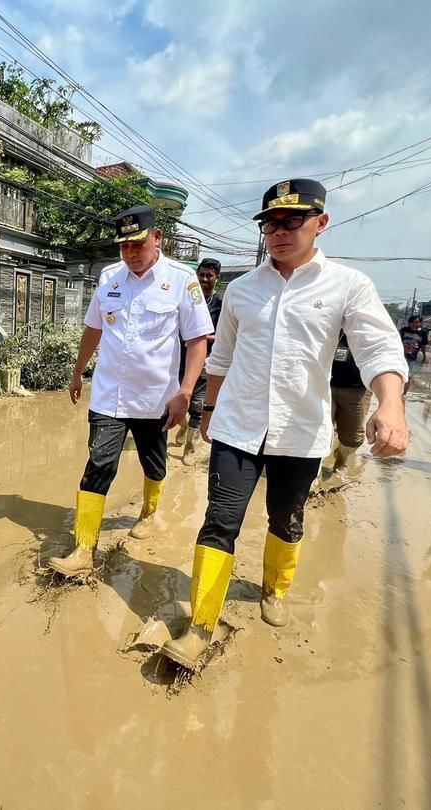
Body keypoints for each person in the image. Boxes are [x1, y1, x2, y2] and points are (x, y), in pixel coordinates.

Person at [159, 179, 410, 670]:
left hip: (300, 431)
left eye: (292, 221)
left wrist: (391, 404)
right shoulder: (241, 290)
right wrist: (209, 411)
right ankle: (200, 625)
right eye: (270, 224)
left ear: (321, 223)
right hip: (237, 426)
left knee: (285, 518)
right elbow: (221, 358)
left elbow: (377, 348)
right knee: (220, 520)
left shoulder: (348, 285)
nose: (279, 232)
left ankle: (274, 589)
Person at [47, 204, 214, 577]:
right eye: (124, 246)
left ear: (157, 238)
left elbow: (197, 340)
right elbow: (94, 329)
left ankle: (149, 513)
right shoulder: (109, 277)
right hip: (108, 394)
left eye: (138, 243)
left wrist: (186, 391)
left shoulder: (181, 279)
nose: (131, 253)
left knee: (153, 463)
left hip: (155, 398)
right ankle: (84, 548)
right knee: (98, 465)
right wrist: (77, 373)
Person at [173, 257, 222, 466]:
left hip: (205, 362)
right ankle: (182, 427)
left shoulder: (220, 304)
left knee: (197, 405)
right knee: (175, 397)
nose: (204, 279)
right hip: (179, 359)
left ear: (216, 278)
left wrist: (198, 336)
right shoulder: (186, 298)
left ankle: (190, 448)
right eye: (201, 274)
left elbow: (224, 336)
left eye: (209, 275)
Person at [329, 332, 373, 472]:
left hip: (357, 389)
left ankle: (341, 457)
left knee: (353, 439)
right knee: (317, 431)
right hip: (323, 386)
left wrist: (388, 403)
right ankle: (313, 474)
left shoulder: (369, 329)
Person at [400, 315, 429, 394]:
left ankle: (404, 394)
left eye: (416, 322)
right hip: (400, 356)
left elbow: (423, 346)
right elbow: (398, 342)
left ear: (420, 323)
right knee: (399, 374)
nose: (414, 324)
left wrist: (424, 357)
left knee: (408, 376)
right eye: (412, 322)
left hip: (412, 357)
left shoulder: (423, 333)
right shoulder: (404, 330)